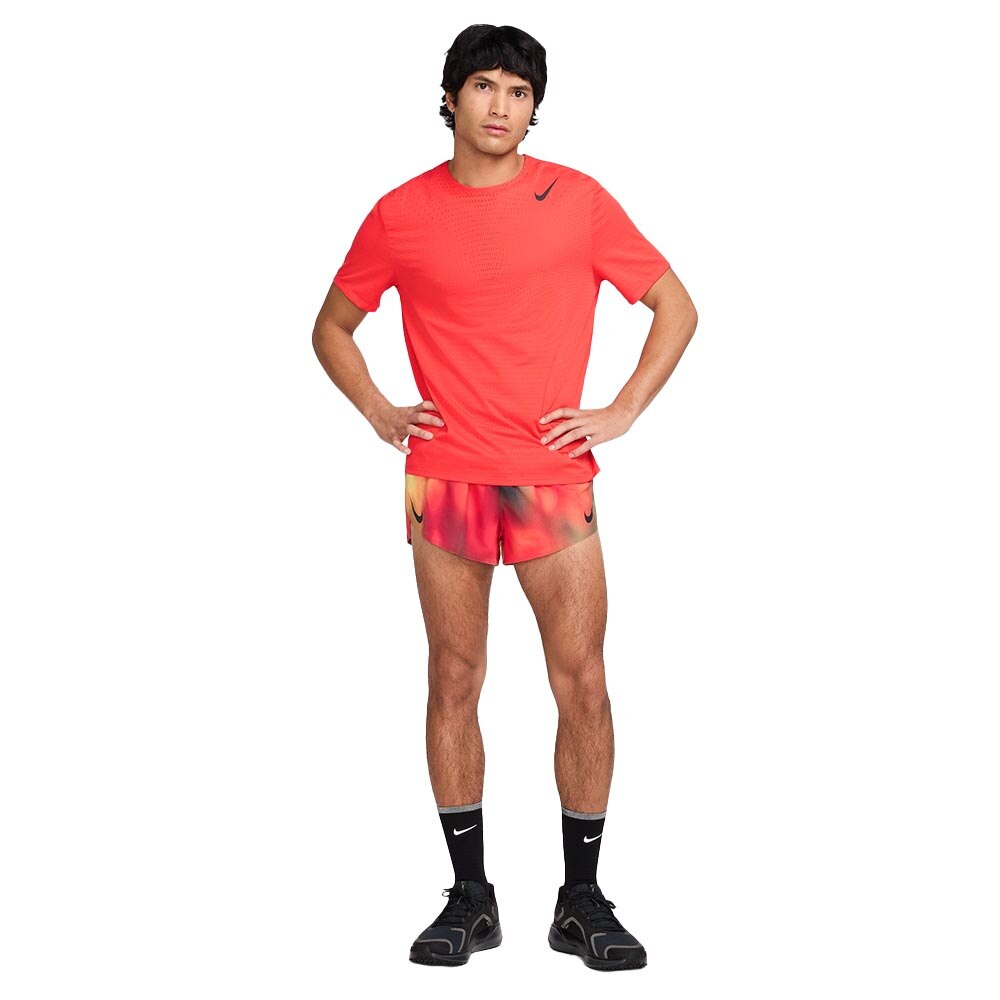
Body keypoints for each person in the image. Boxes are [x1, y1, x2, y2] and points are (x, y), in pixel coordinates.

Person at [312, 24, 697, 971]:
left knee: (584, 682)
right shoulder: (400, 213)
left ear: (534, 109)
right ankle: (470, 897)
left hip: (550, 477)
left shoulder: (579, 200)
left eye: (519, 92)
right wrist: (379, 410)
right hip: (444, 476)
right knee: (454, 678)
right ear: (450, 98)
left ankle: (582, 899)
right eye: (483, 85)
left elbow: (676, 306)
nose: (501, 105)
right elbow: (331, 326)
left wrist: (620, 411)